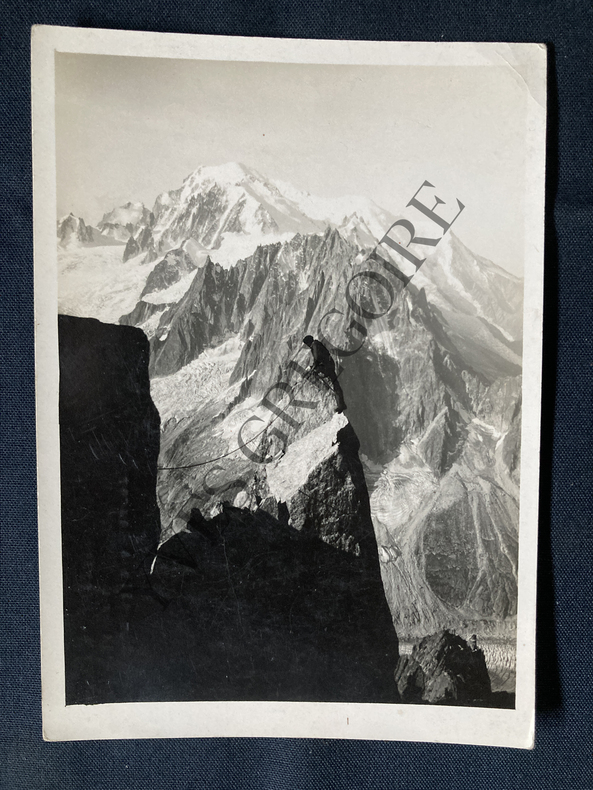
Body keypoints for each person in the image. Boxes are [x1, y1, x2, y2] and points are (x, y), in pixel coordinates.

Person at [302, 335, 347, 413]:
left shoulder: (315, 345)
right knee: (335, 384)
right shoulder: (316, 344)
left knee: (335, 384)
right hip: (328, 364)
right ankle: (341, 404)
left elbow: (317, 357)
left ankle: (340, 404)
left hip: (327, 366)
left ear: (308, 342)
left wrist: (313, 367)